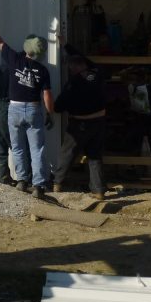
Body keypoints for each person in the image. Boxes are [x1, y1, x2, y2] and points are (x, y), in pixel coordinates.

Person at [0, 22, 53, 200]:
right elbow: (47, 95)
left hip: (15, 108)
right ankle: (38, 185)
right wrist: (50, 113)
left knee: (18, 148)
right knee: (37, 150)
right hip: (34, 109)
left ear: (27, 48)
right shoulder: (43, 70)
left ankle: (21, 181)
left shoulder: (14, 60)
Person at [52, 46, 107, 199]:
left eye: (71, 66)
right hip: (99, 121)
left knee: (67, 153)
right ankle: (98, 190)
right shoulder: (98, 74)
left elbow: (58, 107)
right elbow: (86, 59)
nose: (69, 70)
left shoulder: (73, 84)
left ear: (76, 66)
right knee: (95, 156)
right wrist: (68, 47)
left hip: (80, 123)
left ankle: (57, 184)